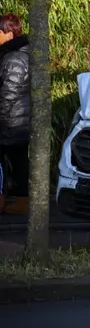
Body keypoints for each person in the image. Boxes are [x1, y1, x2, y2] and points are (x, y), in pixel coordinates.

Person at [0, 13, 30, 215]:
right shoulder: (16, 54)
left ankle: (18, 202)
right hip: (17, 119)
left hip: (12, 121)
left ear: (9, 34)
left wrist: (0, 118)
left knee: (14, 162)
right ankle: (19, 201)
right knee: (17, 162)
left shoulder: (14, 58)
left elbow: (8, 95)